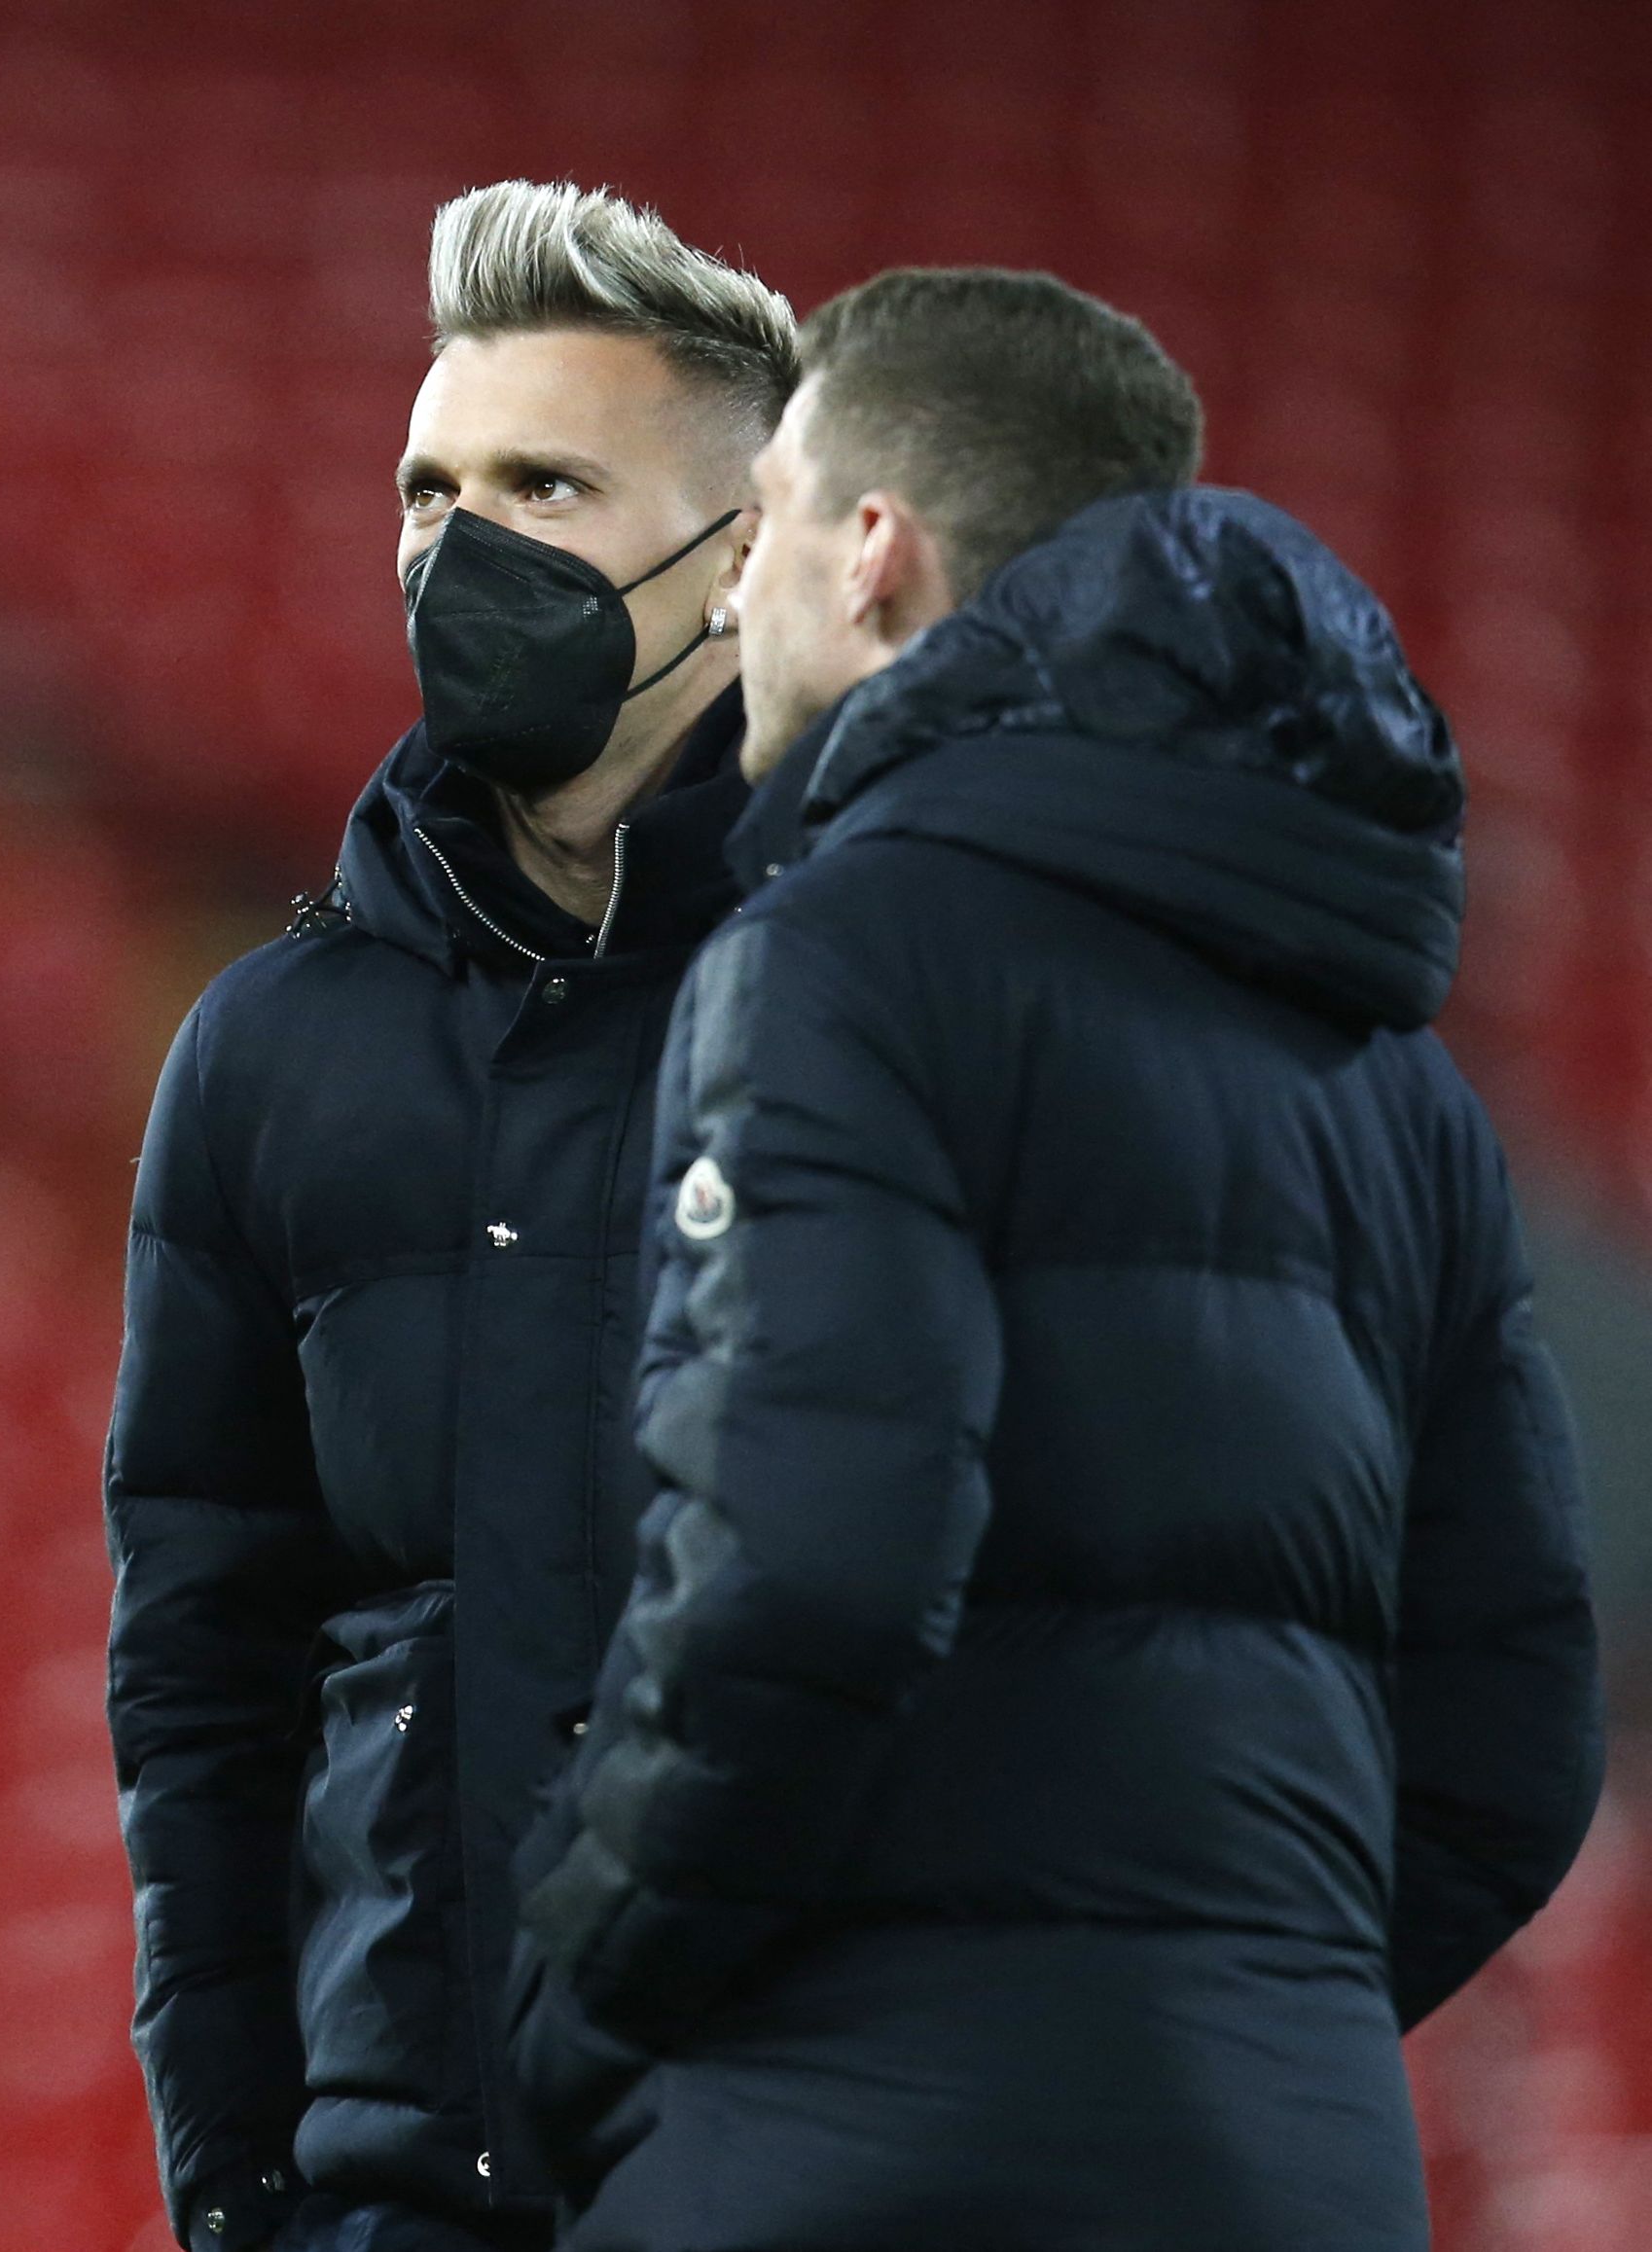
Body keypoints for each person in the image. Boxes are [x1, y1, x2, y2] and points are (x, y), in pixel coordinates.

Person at [506, 268, 1604, 2250]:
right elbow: (1519, 1733)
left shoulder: (841, 958)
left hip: (846, 2149)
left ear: (875, 555)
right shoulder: (1397, 1077)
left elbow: (803, 1567)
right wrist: (1248, 2018)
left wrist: (588, 2003)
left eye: (754, 533)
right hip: (1297, 2166)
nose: (725, 600)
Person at [105, 182, 796, 2252]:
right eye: (426, 485)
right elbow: (200, 1690)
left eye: (543, 483)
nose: (452, 545)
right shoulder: (266, 1049)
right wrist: (243, 2199)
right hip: (403, 2193)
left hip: (820, 2172)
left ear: (747, 553)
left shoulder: (907, 1008)